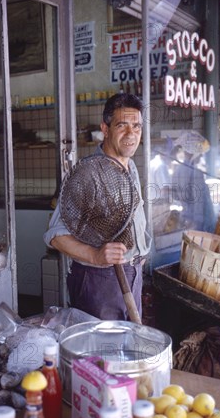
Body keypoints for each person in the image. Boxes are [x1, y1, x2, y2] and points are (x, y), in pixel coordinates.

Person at [43, 93, 151, 321]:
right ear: (106, 128)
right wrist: (94, 255)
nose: (131, 134)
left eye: (137, 126)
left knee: (127, 349)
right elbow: (55, 235)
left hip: (133, 276)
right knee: (100, 354)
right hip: (99, 281)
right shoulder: (87, 175)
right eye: (122, 125)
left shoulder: (130, 167)